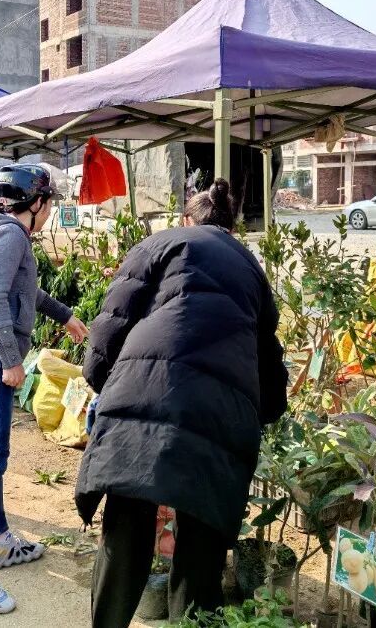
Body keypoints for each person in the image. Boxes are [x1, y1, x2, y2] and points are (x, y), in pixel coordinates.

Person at [74, 179, 289, 628]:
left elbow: (111, 323)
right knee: (201, 550)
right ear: (232, 228)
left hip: (142, 396)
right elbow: (268, 355)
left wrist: (104, 382)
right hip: (220, 416)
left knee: (126, 530)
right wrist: (267, 411)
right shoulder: (250, 268)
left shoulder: (159, 244)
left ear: (186, 219)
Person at [0, 164, 88, 616]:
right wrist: (12, 360)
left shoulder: (2, 231)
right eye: (50, 205)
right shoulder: (10, 236)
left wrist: (65, 315)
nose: (50, 214)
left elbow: (25, 293)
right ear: (38, 203)